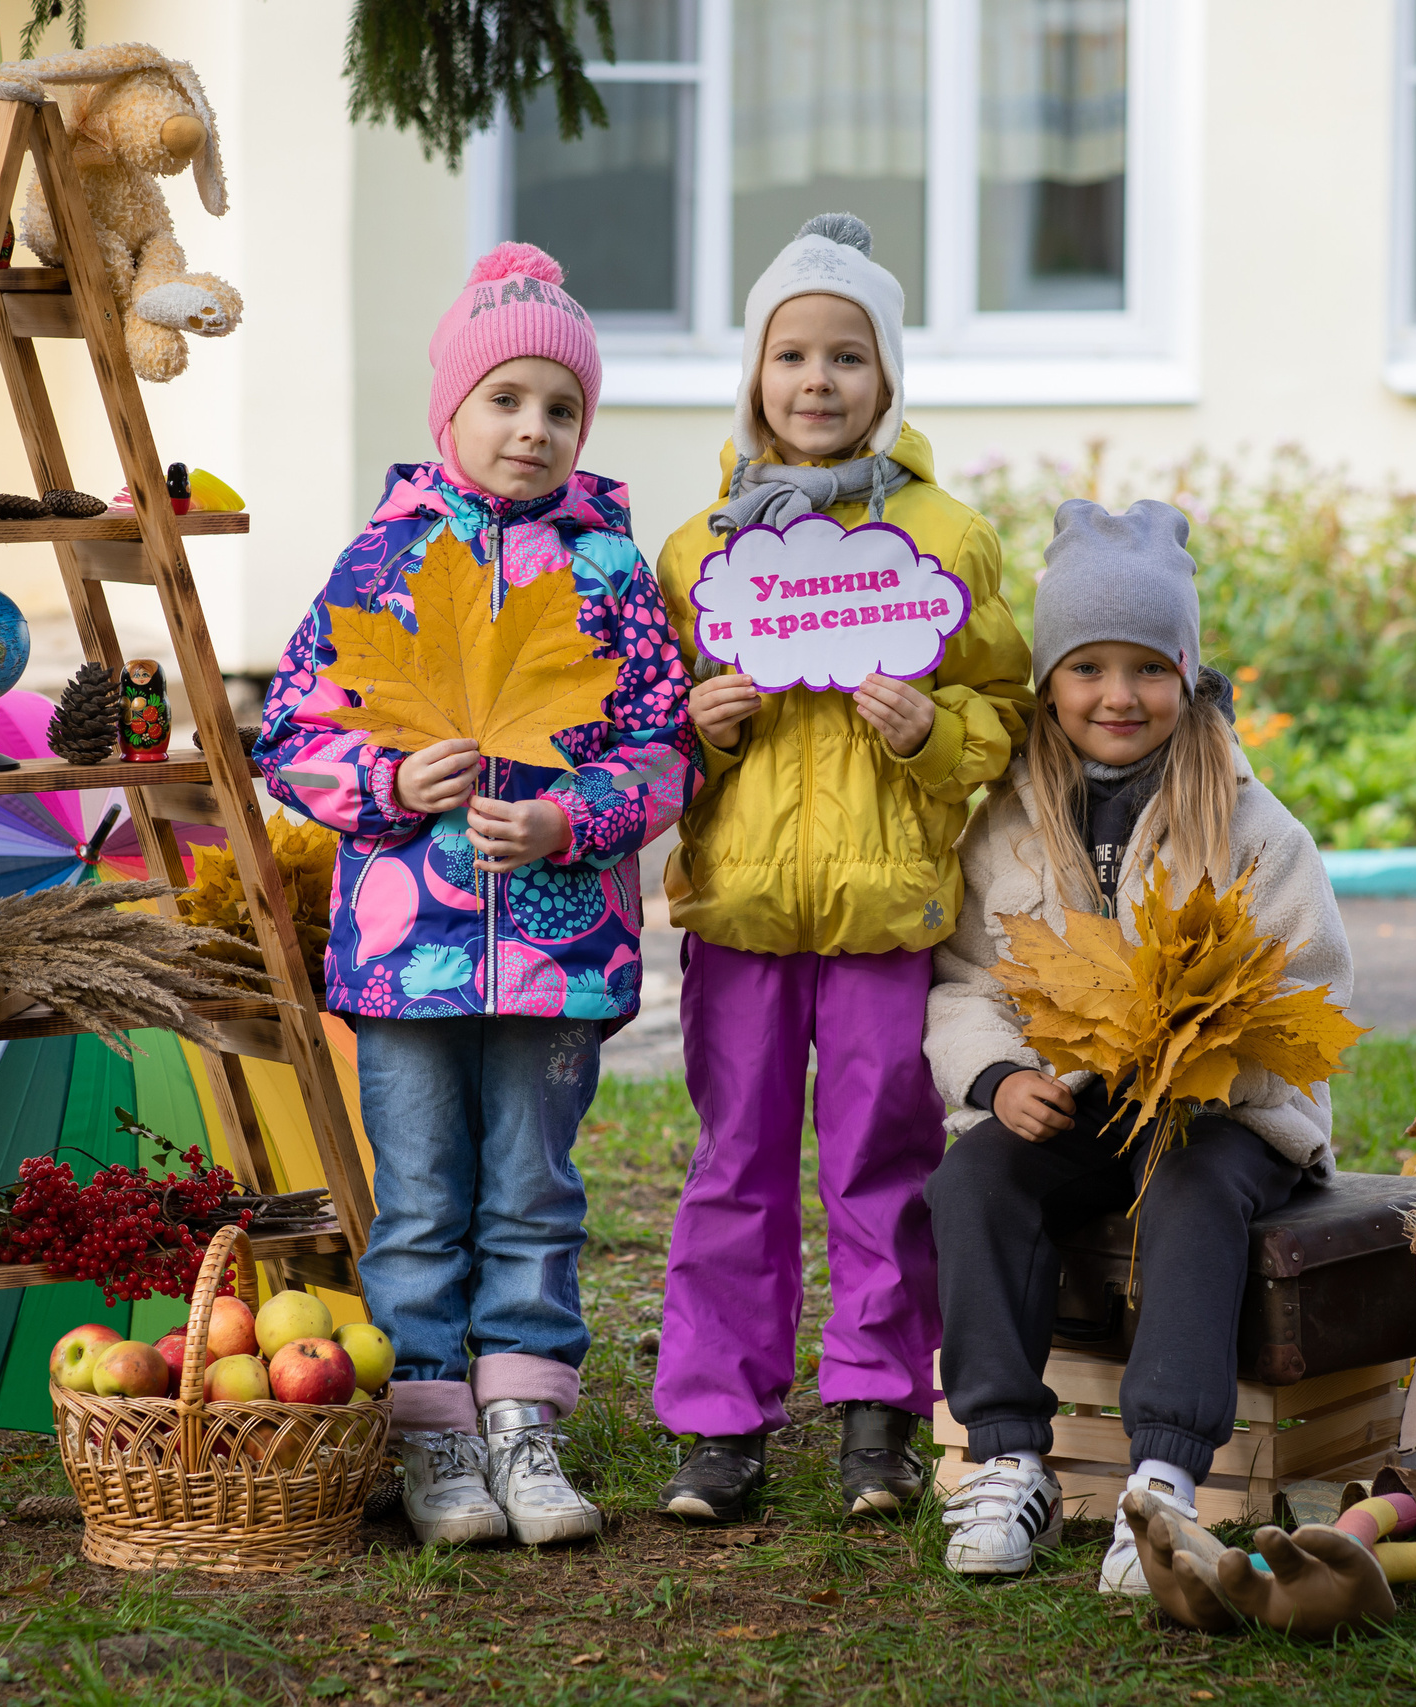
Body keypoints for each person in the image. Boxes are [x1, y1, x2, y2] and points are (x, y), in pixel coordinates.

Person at [252, 243, 696, 1548]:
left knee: (534, 1187)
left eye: (561, 407)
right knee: (423, 1191)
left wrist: (574, 814)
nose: (533, 429)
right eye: (506, 398)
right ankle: (431, 1425)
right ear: (449, 409)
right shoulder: (380, 562)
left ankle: (523, 1414)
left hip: (561, 954)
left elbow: (663, 748)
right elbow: (292, 732)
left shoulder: (610, 575)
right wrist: (391, 777)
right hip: (408, 950)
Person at [649, 214, 1035, 1522]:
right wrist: (688, 731)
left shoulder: (948, 539)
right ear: (756, 375)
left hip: (886, 914)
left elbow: (1006, 710)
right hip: (742, 912)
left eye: (848, 357)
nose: (818, 381)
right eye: (793, 355)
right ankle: (720, 1418)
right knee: (733, 1160)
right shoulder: (698, 551)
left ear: (889, 377)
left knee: (884, 1158)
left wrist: (938, 735)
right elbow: (635, 730)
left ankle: (877, 1402)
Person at [919, 497, 1354, 1592]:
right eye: (1088, 669)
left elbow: (1306, 982)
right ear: (1051, 685)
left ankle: (1161, 1482)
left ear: (1188, 677)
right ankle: (1007, 1456)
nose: (1119, 696)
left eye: (1148, 669)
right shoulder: (1009, 823)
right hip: (1076, 1101)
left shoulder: (1253, 826)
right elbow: (969, 977)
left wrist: (1212, 1060)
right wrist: (1000, 1076)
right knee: (975, 1180)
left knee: (1191, 1193)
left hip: (1225, 1111)